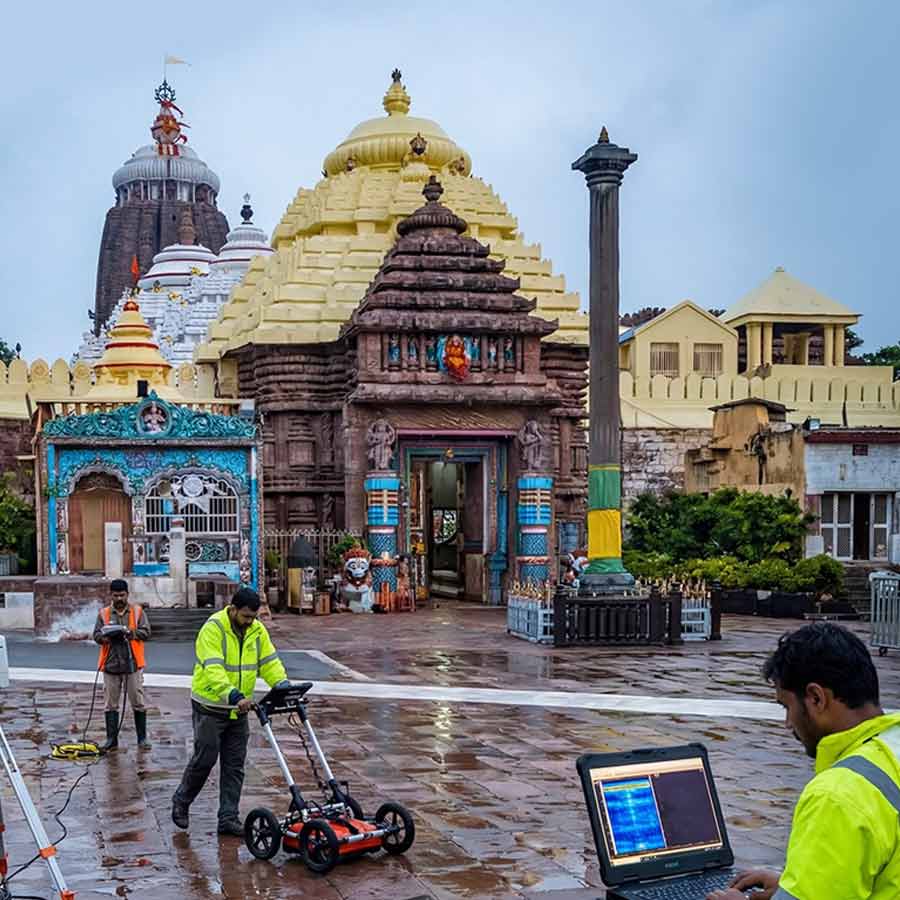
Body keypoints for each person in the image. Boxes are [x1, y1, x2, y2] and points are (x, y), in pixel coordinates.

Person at [707, 623, 900, 900]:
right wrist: (794, 887)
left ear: (816, 698)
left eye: (787, 706)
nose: (788, 723)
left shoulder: (837, 796)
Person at [171, 586, 288, 837]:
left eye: (253, 617)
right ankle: (182, 799)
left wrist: (282, 685)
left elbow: (269, 662)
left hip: (239, 711)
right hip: (210, 706)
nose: (249, 621)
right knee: (205, 759)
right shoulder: (213, 629)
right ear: (233, 609)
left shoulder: (257, 630)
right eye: (245, 616)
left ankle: (228, 817)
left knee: (235, 765)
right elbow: (213, 669)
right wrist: (233, 695)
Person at [92, 578, 152, 752]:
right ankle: (111, 739)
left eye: (122, 595)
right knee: (110, 704)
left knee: (138, 701)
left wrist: (129, 633)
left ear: (127, 594)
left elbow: (146, 632)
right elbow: (96, 635)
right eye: (116, 595)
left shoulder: (137, 612)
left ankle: (142, 738)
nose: (119, 598)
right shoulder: (103, 614)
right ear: (111, 595)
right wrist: (106, 637)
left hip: (132, 663)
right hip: (110, 664)